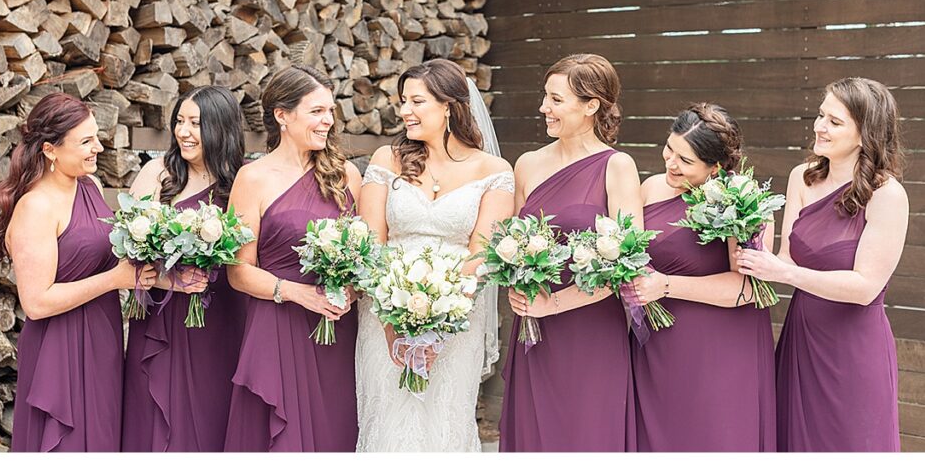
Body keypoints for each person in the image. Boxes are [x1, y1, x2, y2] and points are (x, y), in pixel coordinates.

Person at [736, 77, 908, 452]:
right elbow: (785, 259)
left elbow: (865, 287)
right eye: (819, 115)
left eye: (834, 121)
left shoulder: (887, 195)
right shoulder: (803, 176)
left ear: (865, 134)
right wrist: (749, 237)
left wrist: (785, 273)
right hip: (802, 338)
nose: (819, 126)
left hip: (854, 349)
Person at [355, 58, 513, 452]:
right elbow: (369, 244)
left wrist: (441, 318)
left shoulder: (493, 170)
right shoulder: (385, 161)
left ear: (448, 106)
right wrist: (393, 319)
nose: (404, 110)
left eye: (416, 101)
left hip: (457, 318)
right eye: (403, 101)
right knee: (388, 419)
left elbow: (483, 252)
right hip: (384, 312)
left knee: (445, 421)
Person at [0, 92, 157, 452]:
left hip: (103, 338)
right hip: (59, 346)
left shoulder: (90, 187)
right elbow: (36, 302)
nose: (98, 147)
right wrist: (116, 280)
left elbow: (110, 258)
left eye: (96, 136)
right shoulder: (36, 206)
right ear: (50, 150)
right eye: (86, 141)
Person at [498, 53, 641, 452]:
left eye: (556, 99)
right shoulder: (526, 164)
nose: (544, 107)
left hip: (591, 329)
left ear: (591, 105)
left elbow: (628, 263)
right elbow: (509, 244)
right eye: (545, 97)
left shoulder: (617, 167)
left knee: (587, 434)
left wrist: (555, 303)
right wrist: (515, 279)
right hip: (533, 329)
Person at [224, 65, 362, 452]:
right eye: (317, 111)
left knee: (335, 432)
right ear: (282, 115)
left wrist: (349, 289)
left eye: (331, 111)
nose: (328, 121)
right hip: (277, 323)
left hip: (335, 326)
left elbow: (366, 251)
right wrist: (297, 293)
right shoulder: (253, 178)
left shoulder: (347, 175)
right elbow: (238, 271)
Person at [629, 103, 776, 451]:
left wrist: (665, 285)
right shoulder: (650, 188)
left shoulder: (742, 199)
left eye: (685, 160)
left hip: (720, 353)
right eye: (669, 149)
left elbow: (750, 287)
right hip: (658, 347)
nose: (671, 163)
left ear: (716, 168)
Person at [121, 86, 247, 451]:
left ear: (220, 129)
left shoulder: (242, 180)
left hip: (222, 317)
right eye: (179, 121)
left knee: (213, 413)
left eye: (195, 123)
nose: (183, 132)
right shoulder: (158, 174)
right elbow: (128, 250)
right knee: (160, 420)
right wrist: (171, 280)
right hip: (165, 315)